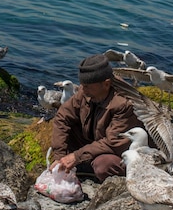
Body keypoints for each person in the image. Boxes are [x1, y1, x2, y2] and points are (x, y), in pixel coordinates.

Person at [50, 53, 144, 182]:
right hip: (93, 141)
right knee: (65, 133)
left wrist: (76, 157)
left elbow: (114, 142)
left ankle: (101, 175)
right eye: (82, 85)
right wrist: (59, 155)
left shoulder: (124, 103)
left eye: (88, 86)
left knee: (104, 165)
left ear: (106, 84)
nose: (83, 90)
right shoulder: (85, 92)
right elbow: (62, 117)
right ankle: (81, 166)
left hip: (116, 151)